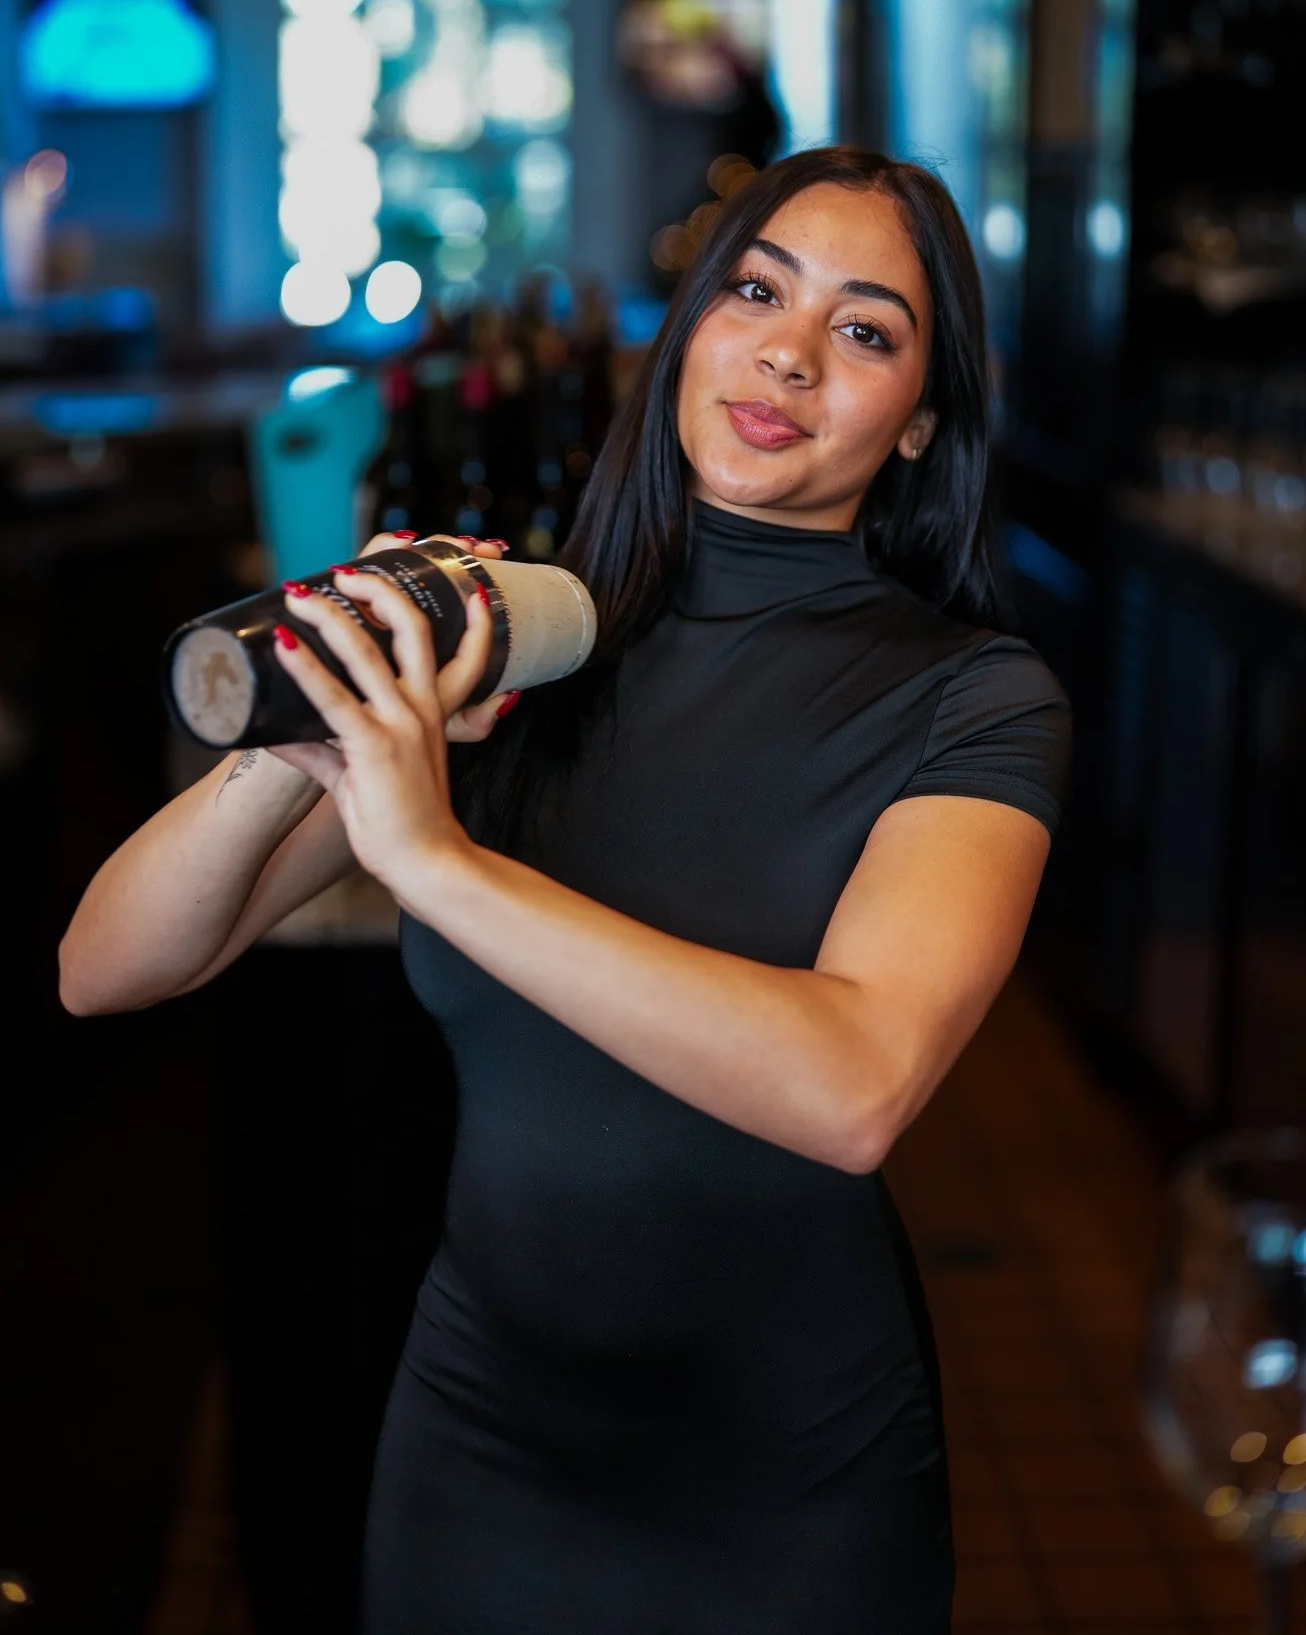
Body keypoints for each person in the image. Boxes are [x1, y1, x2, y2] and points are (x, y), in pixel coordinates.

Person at [61, 146, 1071, 1634]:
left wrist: (440, 865)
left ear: (921, 419)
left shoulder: (977, 700)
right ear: (692, 332)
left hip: (780, 1491)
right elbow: (106, 965)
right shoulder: (542, 643)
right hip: (480, 1443)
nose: (788, 351)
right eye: (755, 290)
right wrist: (324, 715)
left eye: (865, 331)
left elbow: (854, 1083)